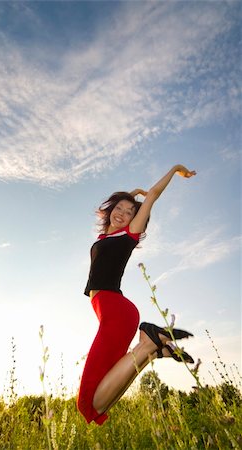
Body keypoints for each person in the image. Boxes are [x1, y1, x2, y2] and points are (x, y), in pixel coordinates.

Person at [77, 164, 197, 425]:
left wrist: (175, 169)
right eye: (118, 208)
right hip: (111, 311)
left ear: (136, 219)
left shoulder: (128, 235)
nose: (122, 214)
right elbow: (119, 210)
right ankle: (153, 351)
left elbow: (152, 194)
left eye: (130, 212)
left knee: (88, 403)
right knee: (102, 398)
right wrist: (129, 196)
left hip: (114, 310)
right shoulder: (106, 236)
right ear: (110, 210)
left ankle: (149, 343)